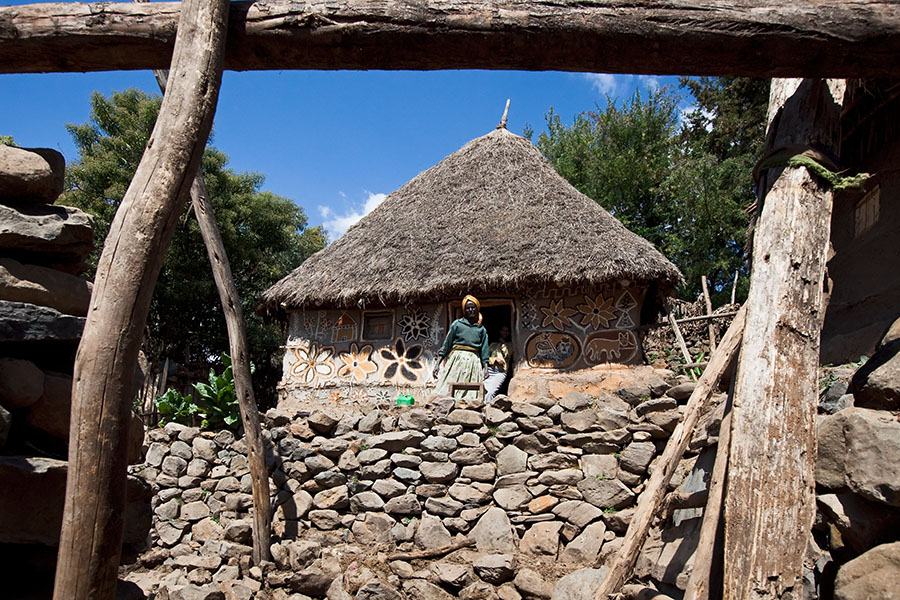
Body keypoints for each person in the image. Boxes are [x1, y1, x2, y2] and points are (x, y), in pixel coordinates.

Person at [433, 295, 489, 404]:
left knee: (471, 391)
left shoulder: (481, 330)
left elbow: (484, 349)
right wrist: (437, 364)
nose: (470, 310)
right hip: (457, 360)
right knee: (450, 386)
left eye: (473, 307)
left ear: (477, 309)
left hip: (474, 362)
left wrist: (486, 367)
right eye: (467, 308)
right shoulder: (457, 325)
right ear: (464, 310)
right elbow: (446, 345)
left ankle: (467, 408)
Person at [484, 324, 512, 403]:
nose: (505, 333)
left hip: (500, 372)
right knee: (483, 390)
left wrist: (503, 344)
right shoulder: (493, 345)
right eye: (503, 331)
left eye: (507, 331)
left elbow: (506, 354)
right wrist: (494, 359)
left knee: (491, 392)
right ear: (500, 332)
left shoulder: (510, 345)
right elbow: (485, 357)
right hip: (489, 370)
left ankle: (487, 408)